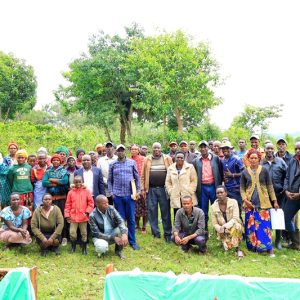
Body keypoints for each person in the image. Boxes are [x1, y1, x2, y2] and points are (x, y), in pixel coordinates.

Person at [240, 148, 278, 257]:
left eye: (255, 158)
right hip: (250, 204)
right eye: (251, 158)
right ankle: (255, 247)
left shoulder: (264, 170)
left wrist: (274, 201)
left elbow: (270, 187)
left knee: (265, 227)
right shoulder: (245, 172)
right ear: (248, 159)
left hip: (263, 203)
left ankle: (269, 248)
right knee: (251, 227)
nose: (253, 160)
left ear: (259, 159)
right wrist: (245, 200)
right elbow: (242, 189)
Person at [108, 144, 141, 250]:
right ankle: (122, 240)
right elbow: (110, 180)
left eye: (122, 150)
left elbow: (137, 178)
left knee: (131, 219)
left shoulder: (132, 163)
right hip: (117, 196)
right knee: (120, 220)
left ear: (125, 152)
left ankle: (132, 241)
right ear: (116, 152)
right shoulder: (113, 164)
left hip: (130, 195)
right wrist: (112, 193)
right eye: (119, 150)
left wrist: (138, 191)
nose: (120, 152)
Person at [141, 142, 173, 242]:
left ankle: (167, 234)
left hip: (164, 189)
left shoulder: (167, 158)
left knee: (166, 212)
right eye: (154, 148)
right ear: (152, 149)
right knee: (152, 212)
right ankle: (156, 233)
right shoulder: (147, 159)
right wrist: (143, 189)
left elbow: (172, 173)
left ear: (161, 149)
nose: (156, 150)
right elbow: (142, 176)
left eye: (158, 148)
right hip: (151, 189)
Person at [192, 140, 223, 234]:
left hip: (214, 187)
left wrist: (220, 186)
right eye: (201, 147)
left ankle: (220, 230)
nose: (203, 149)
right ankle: (204, 230)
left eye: (205, 147)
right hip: (202, 188)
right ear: (199, 149)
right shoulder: (196, 161)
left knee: (217, 208)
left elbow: (220, 172)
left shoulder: (216, 158)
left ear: (208, 148)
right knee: (203, 210)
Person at [261, 143, 287, 249]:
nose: (270, 150)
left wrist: (284, 188)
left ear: (273, 150)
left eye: (272, 148)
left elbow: (287, 176)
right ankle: (267, 239)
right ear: (264, 150)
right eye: (268, 148)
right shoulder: (261, 163)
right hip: (265, 196)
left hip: (279, 194)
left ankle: (278, 241)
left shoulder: (280, 162)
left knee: (278, 217)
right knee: (266, 217)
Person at [89, 195, 128, 259]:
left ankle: (118, 251)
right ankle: (101, 252)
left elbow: (120, 221)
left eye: (107, 202)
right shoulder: (92, 215)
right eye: (104, 203)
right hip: (100, 237)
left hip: (112, 232)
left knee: (123, 229)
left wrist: (124, 233)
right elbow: (97, 234)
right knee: (102, 247)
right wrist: (113, 238)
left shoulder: (111, 208)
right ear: (97, 204)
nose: (107, 204)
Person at [42, 154, 69, 245]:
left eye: (58, 160)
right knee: (52, 218)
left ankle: (64, 236)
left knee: (62, 217)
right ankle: (55, 236)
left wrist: (52, 180)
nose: (56, 161)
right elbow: (44, 183)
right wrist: (57, 183)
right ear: (51, 161)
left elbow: (65, 182)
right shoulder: (48, 171)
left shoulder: (64, 171)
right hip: (51, 199)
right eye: (54, 160)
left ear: (60, 161)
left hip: (62, 199)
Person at [64, 175, 94, 255]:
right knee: (72, 233)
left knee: (84, 233)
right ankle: (73, 248)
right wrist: (67, 215)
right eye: (76, 182)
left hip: (83, 217)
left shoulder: (87, 191)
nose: (78, 183)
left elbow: (91, 203)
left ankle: (84, 249)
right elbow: (68, 205)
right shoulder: (70, 192)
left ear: (82, 182)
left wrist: (87, 212)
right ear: (73, 182)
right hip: (73, 216)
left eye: (79, 182)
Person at [211, 186, 244, 257]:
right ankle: (226, 243)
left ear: (226, 193)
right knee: (228, 248)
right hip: (222, 230)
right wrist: (220, 228)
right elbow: (214, 223)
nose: (220, 194)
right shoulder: (213, 207)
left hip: (233, 226)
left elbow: (235, 218)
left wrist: (225, 226)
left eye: (221, 192)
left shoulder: (234, 202)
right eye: (218, 193)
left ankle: (238, 249)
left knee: (237, 226)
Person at [165, 151, 198, 218]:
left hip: (187, 194)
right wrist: (171, 191)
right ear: (175, 158)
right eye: (178, 157)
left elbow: (194, 180)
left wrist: (190, 190)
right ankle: (178, 228)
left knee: (189, 214)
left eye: (181, 158)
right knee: (177, 214)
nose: (179, 159)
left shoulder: (190, 167)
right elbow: (168, 182)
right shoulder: (170, 168)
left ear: (184, 158)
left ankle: (190, 228)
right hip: (175, 195)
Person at [220, 141, 244, 220]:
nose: (225, 150)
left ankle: (241, 231)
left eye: (227, 148)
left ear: (231, 149)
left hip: (236, 189)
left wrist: (232, 175)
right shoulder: (223, 160)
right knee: (228, 212)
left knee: (237, 212)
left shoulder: (236, 159)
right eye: (223, 148)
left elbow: (245, 172)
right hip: (227, 189)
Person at [283, 141, 300, 251]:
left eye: (299, 149)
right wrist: (286, 190)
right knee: (286, 218)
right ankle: (296, 243)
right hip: (292, 195)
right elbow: (287, 177)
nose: (298, 151)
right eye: (296, 149)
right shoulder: (292, 161)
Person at [7, 149, 33, 219]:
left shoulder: (29, 167)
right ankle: (18, 227)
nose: (20, 159)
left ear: (25, 158)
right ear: (16, 158)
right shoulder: (12, 169)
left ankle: (28, 228)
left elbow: (32, 179)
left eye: (22, 157)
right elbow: (10, 180)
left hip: (28, 193)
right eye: (19, 157)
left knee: (28, 211)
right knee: (18, 211)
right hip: (17, 193)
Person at [130, 144, 147, 233]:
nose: (134, 151)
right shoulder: (129, 160)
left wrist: (143, 187)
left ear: (138, 150)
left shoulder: (143, 159)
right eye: (132, 149)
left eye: (136, 149)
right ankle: (137, 225)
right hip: (133, 185)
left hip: (143, 184)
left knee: (144, 205)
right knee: (135, 206)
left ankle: (144, 225)